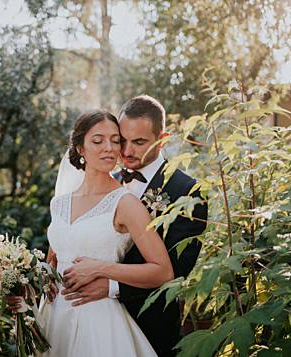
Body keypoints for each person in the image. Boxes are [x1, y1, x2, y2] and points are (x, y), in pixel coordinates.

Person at [60, 95, 207, 356]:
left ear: (162, 139)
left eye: (139, 142)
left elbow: (177, 269)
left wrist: (111, 286)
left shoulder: (188, 191)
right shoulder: (107, 181)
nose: (126, 151)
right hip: (90, 324)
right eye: (122, 140)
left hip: (151, 324)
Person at [39, 110, 172, 356]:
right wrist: (28, 288)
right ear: (80, 148)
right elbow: (53, 262)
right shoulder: (59, 203)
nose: (109, 148)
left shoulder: (126, 203)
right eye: (98, 141)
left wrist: (101, 269)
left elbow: (163, 271)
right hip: (55, 319)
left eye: (115, 140)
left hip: (99, 323)